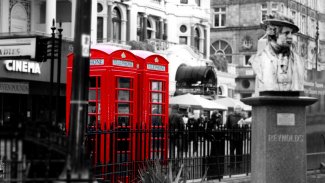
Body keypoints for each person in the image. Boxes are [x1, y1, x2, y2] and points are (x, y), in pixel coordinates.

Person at [249, 13, 304, 95]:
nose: (290, 37)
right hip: (269, 100)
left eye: (291, 33)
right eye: (286, 33)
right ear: (274, 33)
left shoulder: (298, 60)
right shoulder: (259, 59)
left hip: (292, 101)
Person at [207, 110, 225, 180]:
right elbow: (209, 129)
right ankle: (213, 168)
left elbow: (220, 127)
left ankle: (217, 169)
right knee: (213, 153)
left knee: (218, 154)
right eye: (217, 116)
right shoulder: (211, 121)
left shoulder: (218, 121)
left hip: (218, 139)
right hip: (214, 138)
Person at [226, 105, 245, 170]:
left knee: (239, 151)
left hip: (240, 136)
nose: (238, 110)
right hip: (233, 136)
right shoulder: (230, 116)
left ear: (241, 109)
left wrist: (243, 127)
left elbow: (245, 127)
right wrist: (229, 133)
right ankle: (231, 164)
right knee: (231, 150)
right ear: (234, 109)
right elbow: (227, 125)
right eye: (237, 108)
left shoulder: (242, 116)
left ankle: (238, 164)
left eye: (239, 108)